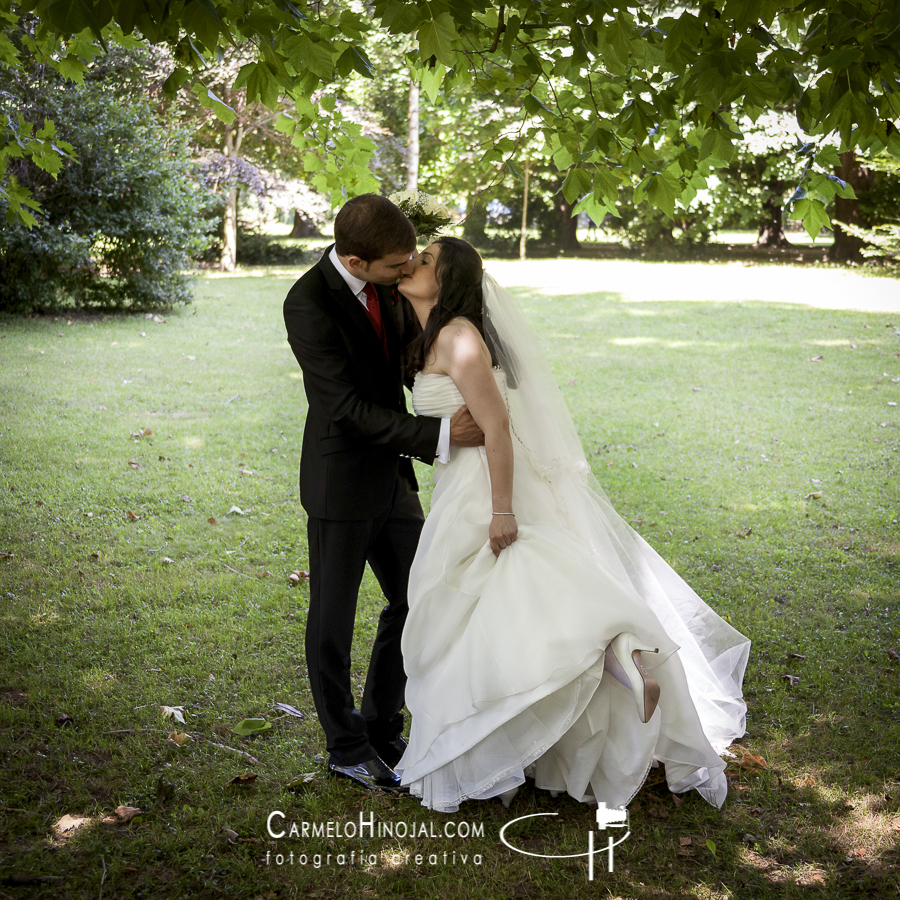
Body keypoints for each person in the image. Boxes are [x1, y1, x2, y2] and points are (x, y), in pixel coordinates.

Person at [393, 236, 750, 812]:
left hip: (482, 485)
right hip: (466, 481)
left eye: (427, 259)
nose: (414, 262)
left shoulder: (458, 339)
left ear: (449, 279)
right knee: (519, 600)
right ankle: (618, 661)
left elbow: (498, 429)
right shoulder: (437, 334)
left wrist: (502, 510)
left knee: (500, 593)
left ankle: (609, 656)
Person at [282, 197, 482, 792]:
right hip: (340, 481)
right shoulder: (308, 303)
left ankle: (382, 722)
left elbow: (405, 365)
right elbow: (342, 408)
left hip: (393, 480)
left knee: (417, 598)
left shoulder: (389, 285)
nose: (405, 273)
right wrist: (441, 432)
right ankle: (344, 746)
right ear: (354, 260)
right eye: (396, 266)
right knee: (332, 621)